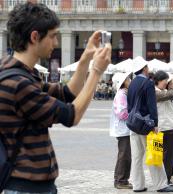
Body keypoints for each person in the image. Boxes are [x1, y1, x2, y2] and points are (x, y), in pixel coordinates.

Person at [0, 2, 111, 194]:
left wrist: (85, 60)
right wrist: (96, 71)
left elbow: (66, 94)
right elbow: (71, 115)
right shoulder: (18, 83)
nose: (56, 43)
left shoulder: (19, 73)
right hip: (26, 186)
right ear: (35, 36)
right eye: (52, 36)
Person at [127, 58, 173, 193]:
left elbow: (129, 106)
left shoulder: (131, 84)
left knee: (136, 157)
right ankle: (161, 184)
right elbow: (152, 105)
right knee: (155, 153)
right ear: (144, 68)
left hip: (133, 124)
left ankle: (138, 185)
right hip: (147, 125)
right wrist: (155, 123)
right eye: (147, 67)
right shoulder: (148, 83)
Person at [153, 71, 173, 185]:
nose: (166, 83)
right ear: (158, 80)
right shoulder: (155, 92)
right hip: (162, 128)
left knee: (169, 156)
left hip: (171, 127)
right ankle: (162, 180)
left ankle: (167, 179)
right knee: (161, 156)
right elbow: (170, 94)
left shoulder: (165, 91)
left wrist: (172, 85)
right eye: (165, 80)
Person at [110, 72, 132, 190]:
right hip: (123, 129)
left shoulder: (124, 93)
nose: (130, 80)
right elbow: (122, 113)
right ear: (123, 82)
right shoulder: (121, 95)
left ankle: (121, 179)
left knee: (125, 154)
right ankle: (120, 180)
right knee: (124, 155)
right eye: (128, 79)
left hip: (125, 128)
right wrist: (133, 115)